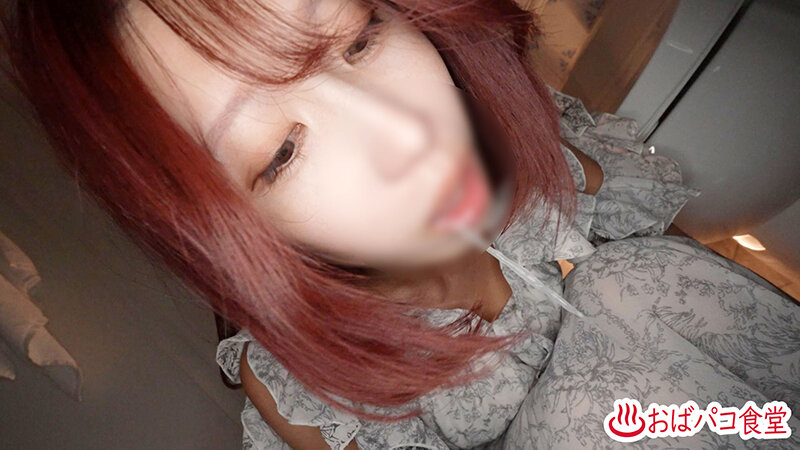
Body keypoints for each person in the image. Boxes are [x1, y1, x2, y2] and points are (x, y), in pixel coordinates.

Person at [4, 0, 798, 448]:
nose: (408, 133)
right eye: (280, 154)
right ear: (224, 225)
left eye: (361, 38)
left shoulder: (534, 154)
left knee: (634, 278)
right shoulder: (302, 386)